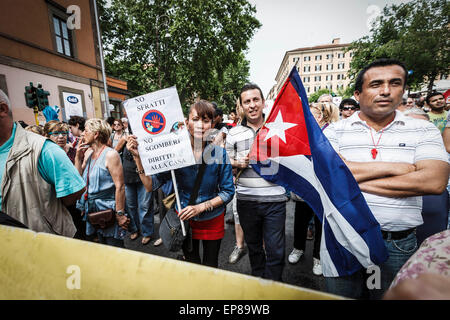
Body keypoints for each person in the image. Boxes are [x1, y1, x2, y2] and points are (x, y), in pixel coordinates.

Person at [323, 58, 449, 299]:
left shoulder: (423, 129)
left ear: (403, 90)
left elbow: (433, 182)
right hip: (344, 239)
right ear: (358, 94)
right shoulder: (335, 131)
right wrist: (400, 168)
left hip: (396, 244)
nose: (385, 91)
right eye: (376, 84)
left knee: (383, 296)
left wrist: (350, 179)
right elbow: (328, 176)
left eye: (394, 83)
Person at [127, 100, 235, 268]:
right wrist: (137, 158)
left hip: (212, 220)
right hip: (185, 221)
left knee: (210, 265)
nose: (201, 125)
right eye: (196, 119)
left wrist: (201, 207)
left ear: (212, 124)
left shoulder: (219, 153)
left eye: (206, 121)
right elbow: (150, 185)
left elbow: (228, 191)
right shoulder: (174, 154)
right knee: (192, 265)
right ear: (187, 123)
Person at [0, 89, 85, 236]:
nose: (60, 137)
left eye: (63, 133)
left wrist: (50, 210)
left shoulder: (45, 149)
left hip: (42, 244)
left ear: (2, 109)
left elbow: (75, 190)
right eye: (55, 134)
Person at [226, 83, 288, 281]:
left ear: (263, 102)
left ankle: (275, 289)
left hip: (275, 201)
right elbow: (224, 162)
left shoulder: (278, 129)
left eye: (255, 100)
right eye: (247, 101)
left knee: (276, 252)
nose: (252, 105)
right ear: (241, 106)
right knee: (254, 249)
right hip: (247, 201)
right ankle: (260, 288)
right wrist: (236, 162)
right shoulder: (233, 133)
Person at [288, 102, 339, 276]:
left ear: (319, 117)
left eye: (308, 116)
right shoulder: (302, 134)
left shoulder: (330, 133)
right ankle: (298, 248)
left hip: (323, 190)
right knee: (300, 222)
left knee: (320, 225)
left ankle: (318, 257)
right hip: (305, 187)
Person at [75, 118, 129, 247]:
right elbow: (78, 178)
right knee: (100, 248)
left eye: (86, 131)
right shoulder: (88, 153)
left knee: (114, 248)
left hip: (108, 209)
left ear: (96, 134)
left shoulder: (111, 154)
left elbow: (120, 186)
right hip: (92, 210)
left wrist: (120, 214)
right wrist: (78, 157)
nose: (83, 134)